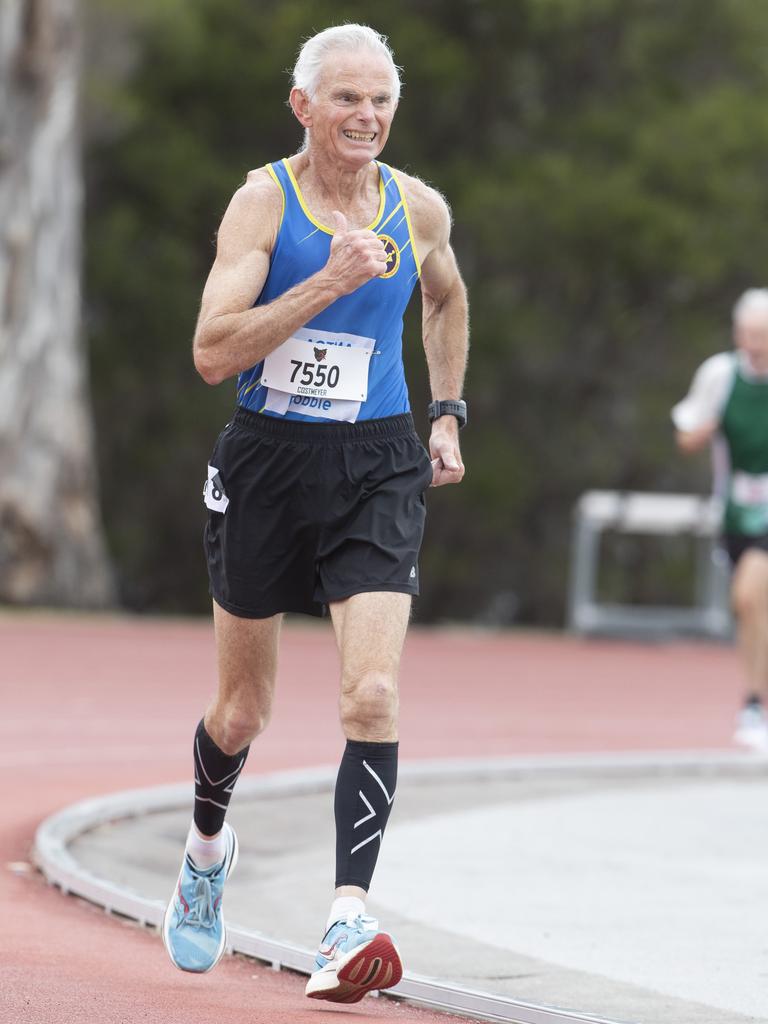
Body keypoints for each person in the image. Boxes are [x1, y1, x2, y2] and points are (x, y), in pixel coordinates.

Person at [161, 24, 469, 1004]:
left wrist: (449, 412)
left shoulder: (417, 208)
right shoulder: (264, 202)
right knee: (243, 710)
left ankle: (346, 918)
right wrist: (330, 280)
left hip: (377, 461)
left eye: (381, 99)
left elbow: (448, 301)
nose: (367, 117)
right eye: (346, 99)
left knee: (371, 694)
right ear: (303, 106)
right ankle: (208, 844)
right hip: (266, 461)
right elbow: (214, 350)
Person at [673, 288, 768, 752]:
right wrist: (702, 431)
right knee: (749, 607)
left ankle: (753, 703)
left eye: (762, 336)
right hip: (735, 509)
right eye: (747, 334)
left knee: (751, 596)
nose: (753, 343)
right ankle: (756, 702)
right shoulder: (721, 374)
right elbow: (686, 434)